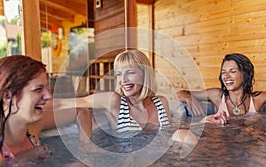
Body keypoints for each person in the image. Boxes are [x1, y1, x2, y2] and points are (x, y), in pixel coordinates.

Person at [51, 49, 226, 132]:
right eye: (119, 74)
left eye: (130, 73)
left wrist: (203, 122)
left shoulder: (161, 103)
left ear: (145, 74)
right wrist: (30, 104)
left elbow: (170, 130)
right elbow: (66, 103)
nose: (123, 80)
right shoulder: (115, 101)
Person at [0, 55, 91, 167]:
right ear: (7, 96)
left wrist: (85, 147)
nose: (48, 96)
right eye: (38, 89)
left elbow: (80, 112)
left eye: (46, 87)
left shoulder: (34, 125)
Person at [177, 53, 266, 117]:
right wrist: (189, 99)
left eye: (232, 71)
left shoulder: (258, 99)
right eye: (223, 72)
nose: (226, 76)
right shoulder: (217, 96)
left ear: (245, 74)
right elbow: (180, 94)